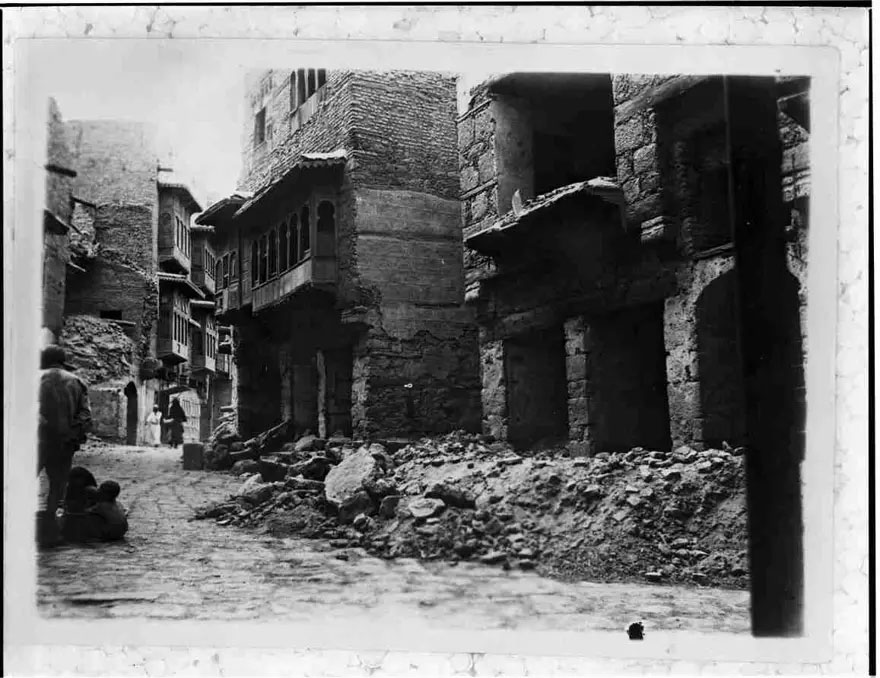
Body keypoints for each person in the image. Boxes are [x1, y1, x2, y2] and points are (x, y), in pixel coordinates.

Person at [37, 345, 92, 546]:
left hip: (35, 442)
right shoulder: (76, 382)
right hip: (63, 443)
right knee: (57, 486)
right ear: (62, 361)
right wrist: (71, 435)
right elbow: (85, 416)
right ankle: (49, 531)